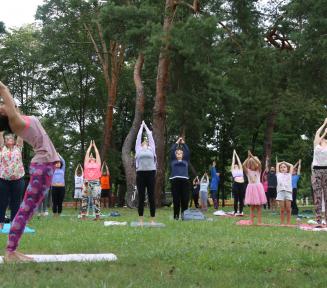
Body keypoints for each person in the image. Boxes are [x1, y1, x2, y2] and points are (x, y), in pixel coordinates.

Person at [0, 81, 59, 262]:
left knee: (27, 210)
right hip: (42, 167)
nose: (3, 105)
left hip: (45, 166)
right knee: (25, 210)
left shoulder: (20, 118)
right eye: (2, 106)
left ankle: (12, 251)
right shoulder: (16, 123)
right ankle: (10, 252)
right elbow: (3, 89)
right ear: (5, 115)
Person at [0, 132, 25, 230]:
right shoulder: (2, 148)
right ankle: (1, 222)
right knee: (2, 201)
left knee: (16, 202)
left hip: (18, 180)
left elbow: (21, 134)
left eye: (11, 138)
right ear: (5, 141)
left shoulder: (18, 148)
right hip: (3, 180)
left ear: (14, 141)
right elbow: (1, 134)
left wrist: (18, 120)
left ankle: (14, 223)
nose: (10, 140)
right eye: (7, 139)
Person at [135, 121, 157, 224]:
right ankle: (141, 219)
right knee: (141, 197)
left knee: (151, 196)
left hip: (151, 174)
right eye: (143, 141)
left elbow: (150, 136)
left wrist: (146, 127)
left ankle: (152, 219)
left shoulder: (151, 149)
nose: (145, 141)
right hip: (140, 174)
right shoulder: (138, 149)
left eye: (146, 141)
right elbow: (138, 136)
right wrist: (141, 127)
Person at [243, 151, 267, 225]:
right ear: (250, 164)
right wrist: (248, 158)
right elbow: (243, 165)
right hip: (251, 189)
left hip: (258, 188)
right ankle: (251, 221)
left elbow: (259, 163)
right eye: (252, 163)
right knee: (252, 207)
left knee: (259, 207)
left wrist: (252, 156)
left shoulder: (258, 170)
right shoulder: (248, 171)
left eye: (254, 163)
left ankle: (259, 221)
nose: (255, 164)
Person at [311, 118, 327, 226]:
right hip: (316, 171)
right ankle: (318, 220)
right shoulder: (316, 145)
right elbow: (317, 132)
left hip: (326, 170)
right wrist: (325, 124)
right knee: (317, 195)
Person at [170, 137, 190, 220]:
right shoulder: (173, 160)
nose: (179, 154)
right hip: (175, 181)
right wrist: (177, 142)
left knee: (185, 199)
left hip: (185, 181)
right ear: (175, 155)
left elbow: (187, 151)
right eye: (177, 153)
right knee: (176, 200)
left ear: (182, 155)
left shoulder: (185, 161)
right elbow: (172, 150)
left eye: (180, 153)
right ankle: (176, 216)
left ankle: (184, 216)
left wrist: (183, 143)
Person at [81, 140, 101, 220]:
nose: (92, 157)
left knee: (96, 199)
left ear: (96, 159)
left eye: (93, 157)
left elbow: (97, 153)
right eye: (90, 157)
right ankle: (83, 216)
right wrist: (90, 146)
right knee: (84, 199)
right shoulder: (86, 164)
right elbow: (87, 154)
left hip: (96, 182)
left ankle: (97, 217)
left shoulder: (98, 164)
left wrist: (94, 146)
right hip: (86, 182)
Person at [231, 150, 246, 215]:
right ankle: (235, 211)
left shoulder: (241, 169)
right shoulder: (233, 170)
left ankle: (241, 211)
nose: (236, 165)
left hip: (242, 184)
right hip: (236, 185)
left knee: (241, 199)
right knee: (236, 199)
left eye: (236, 165)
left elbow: (239, 162)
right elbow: (233, 161)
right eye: (235, 165)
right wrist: (233, 154)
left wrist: (236, 154)